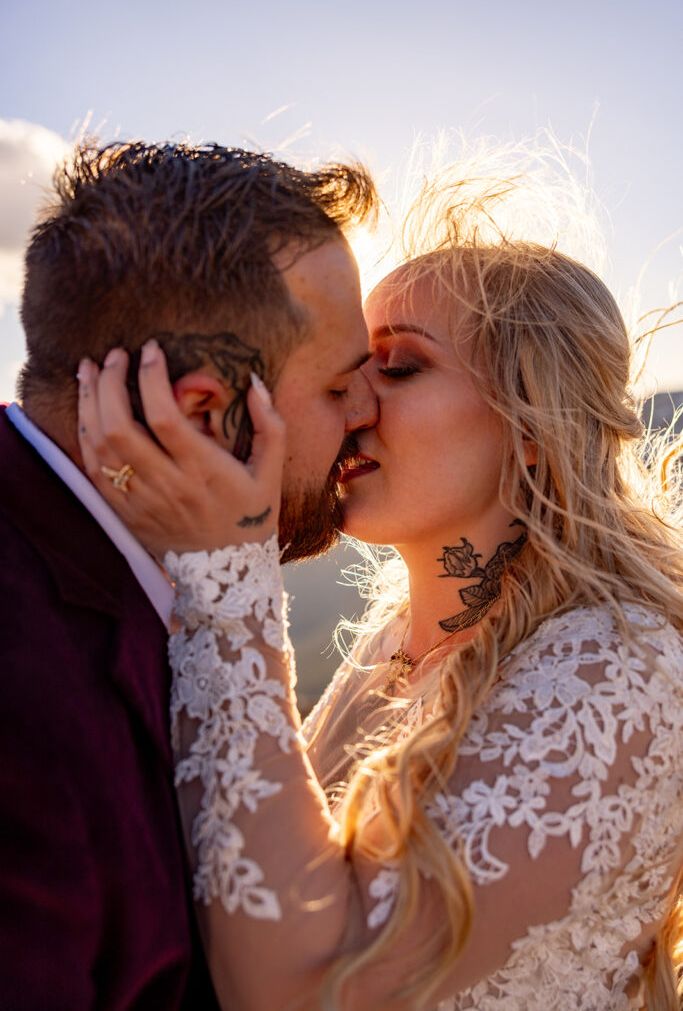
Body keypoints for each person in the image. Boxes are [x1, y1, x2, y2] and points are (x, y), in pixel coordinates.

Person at [78, 166, 683, 1010]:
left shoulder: (620, 672)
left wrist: (228, 574)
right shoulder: (391, 642)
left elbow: (315, 986)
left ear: (535, 423)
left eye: (397, 368)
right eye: (348, 369)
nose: (351, 402)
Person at [0, 139, 379, 1008]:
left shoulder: (126, 567)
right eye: (337, 389)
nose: (368, 415)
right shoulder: (22, 696)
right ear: (203, 413)